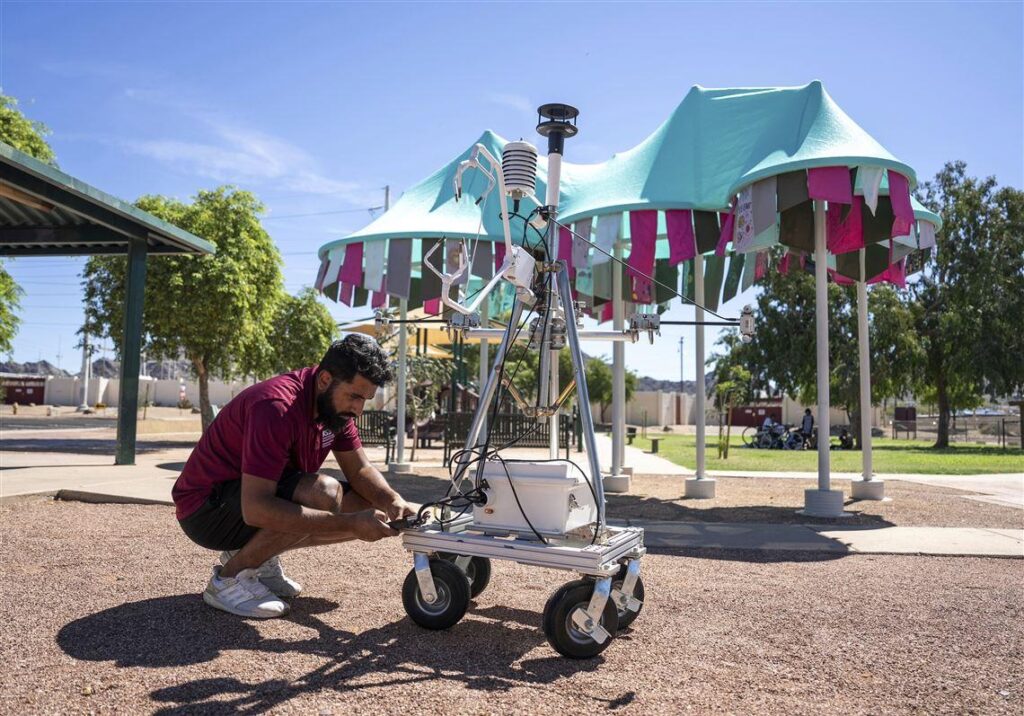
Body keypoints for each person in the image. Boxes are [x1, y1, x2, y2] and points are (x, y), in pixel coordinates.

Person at [173, 335, 415, 619]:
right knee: (324, 494)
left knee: (370, 505)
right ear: (325, 379)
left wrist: (392, 500)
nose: (358, 410)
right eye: (354, 396)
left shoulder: (334, 409)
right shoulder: (276, 406)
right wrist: (349, 523)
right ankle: (229, 579)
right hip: (205, 511)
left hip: (245, 500)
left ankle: (258, 559)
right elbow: (256, 508)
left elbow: (360, 470)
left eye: (365, 399)